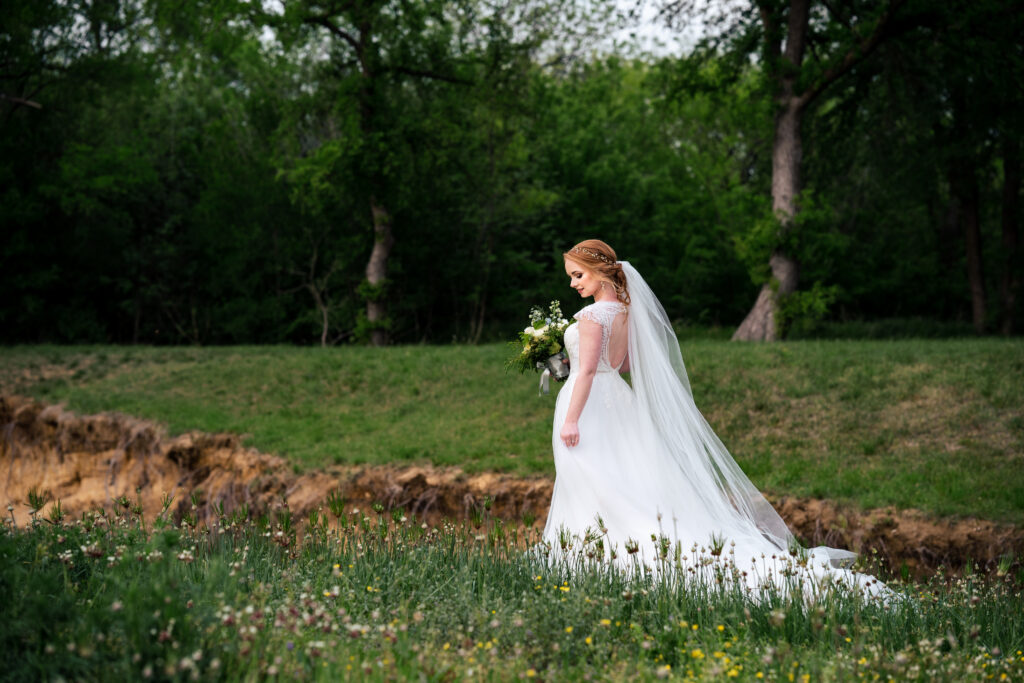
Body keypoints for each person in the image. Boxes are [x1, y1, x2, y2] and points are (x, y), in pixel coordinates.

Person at [542, 239, 887, 599]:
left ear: (599, 271)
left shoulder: (592, 315)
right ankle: (600, 547)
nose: (573, 283)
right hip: (617, 399)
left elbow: (587, 374)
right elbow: (623, 365)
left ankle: (590, 551)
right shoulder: (625, 312)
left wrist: (571, 418)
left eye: (578, 275)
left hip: (591, 405)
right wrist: (575, 365)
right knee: (619, 476)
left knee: (589, 477)